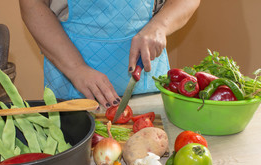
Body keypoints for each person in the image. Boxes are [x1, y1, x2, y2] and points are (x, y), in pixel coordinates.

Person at [19, 0, 200, 108]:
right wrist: (76, 69)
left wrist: (160, 26)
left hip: (148, 92)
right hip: (71, 91)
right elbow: (32, 3)